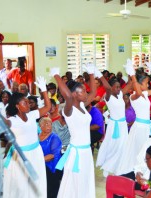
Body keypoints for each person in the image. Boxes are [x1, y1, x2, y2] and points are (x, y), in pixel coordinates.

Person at [53, 64, 97, 198]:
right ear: (74, 94)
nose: (86, 93)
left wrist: (91, 74)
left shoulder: (83, 106)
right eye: (82, 91)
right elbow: (67, 96)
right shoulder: (69, 110)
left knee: (85, 180)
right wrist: (57, 76)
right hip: (76, 152)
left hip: (86, 151)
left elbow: (94, 93)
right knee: (74, 182)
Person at [3, 76, 51, 198]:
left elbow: (47, 107)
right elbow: (4, 123)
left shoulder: (31, 115)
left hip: (36, 152)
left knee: (37, 181)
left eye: (28, 101)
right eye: (24, 102)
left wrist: (44, 90)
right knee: (21, 185)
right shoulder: (13, 120)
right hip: (21, 156)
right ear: (17, 106)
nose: (28, 104)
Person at [115, 58, 151, 176]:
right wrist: (132, 76)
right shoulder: (134, 96)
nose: (148, 85)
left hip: (146, 126)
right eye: (146, 83)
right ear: (140, 84)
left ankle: (144, 171)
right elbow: (136, 88)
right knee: (139, 150)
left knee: (146, 150)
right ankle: (136, 171)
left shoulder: (145, 94)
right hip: (139, 127)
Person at [96, 69, 132, 176]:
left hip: (122, 124)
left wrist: (131, 72)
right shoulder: (108, 97)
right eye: (115, 87)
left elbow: (130, 84)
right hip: (114, 125)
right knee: (112, 145)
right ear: (111, 88)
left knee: (122, 145)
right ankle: (107, 166)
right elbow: (106, 87)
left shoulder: (120, 95)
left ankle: (118, 166)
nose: (118, 88)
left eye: (118, 86)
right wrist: (100, 76)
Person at [39, 117, 62, 198]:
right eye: (46, 124)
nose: (49, 126)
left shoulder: (54, 137)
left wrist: (37, 161)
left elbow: (53, 155)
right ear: (40, 126)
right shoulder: (36, 137)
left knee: (50, 192)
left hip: (51, 167)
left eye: (50, 124)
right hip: (40, 165)